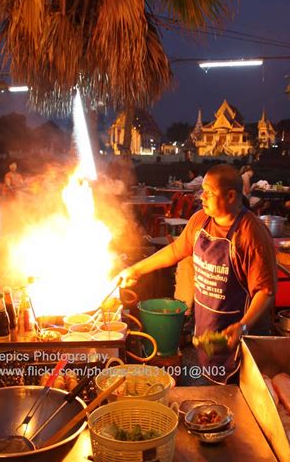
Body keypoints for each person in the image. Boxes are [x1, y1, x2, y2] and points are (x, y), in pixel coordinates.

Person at [116, 164, 277, 384]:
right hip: (208, 326)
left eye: (209, 193)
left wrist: (243, 326)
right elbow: (175, 250)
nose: (202, 197)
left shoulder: (251, 234)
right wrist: (136, 269)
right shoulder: (200, 220)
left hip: (241, 338)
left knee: (238, 395)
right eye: (202, 191)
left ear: (231, 195)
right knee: (212, 387)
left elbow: (265, 291)